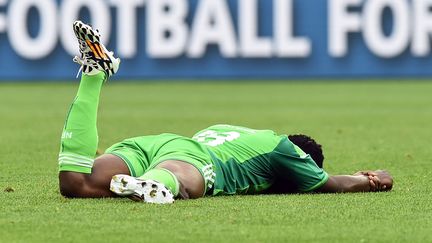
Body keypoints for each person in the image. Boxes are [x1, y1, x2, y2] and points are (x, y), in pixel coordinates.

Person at [58, 21, 393, 204]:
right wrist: (374, 179)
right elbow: (334, 184)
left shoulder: (236, 132)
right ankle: (153, 184)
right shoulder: (282, 149)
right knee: (182, 179)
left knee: (75, 183)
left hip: (155, 144)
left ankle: (94, 74)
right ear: (300, 161)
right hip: (186, 158)